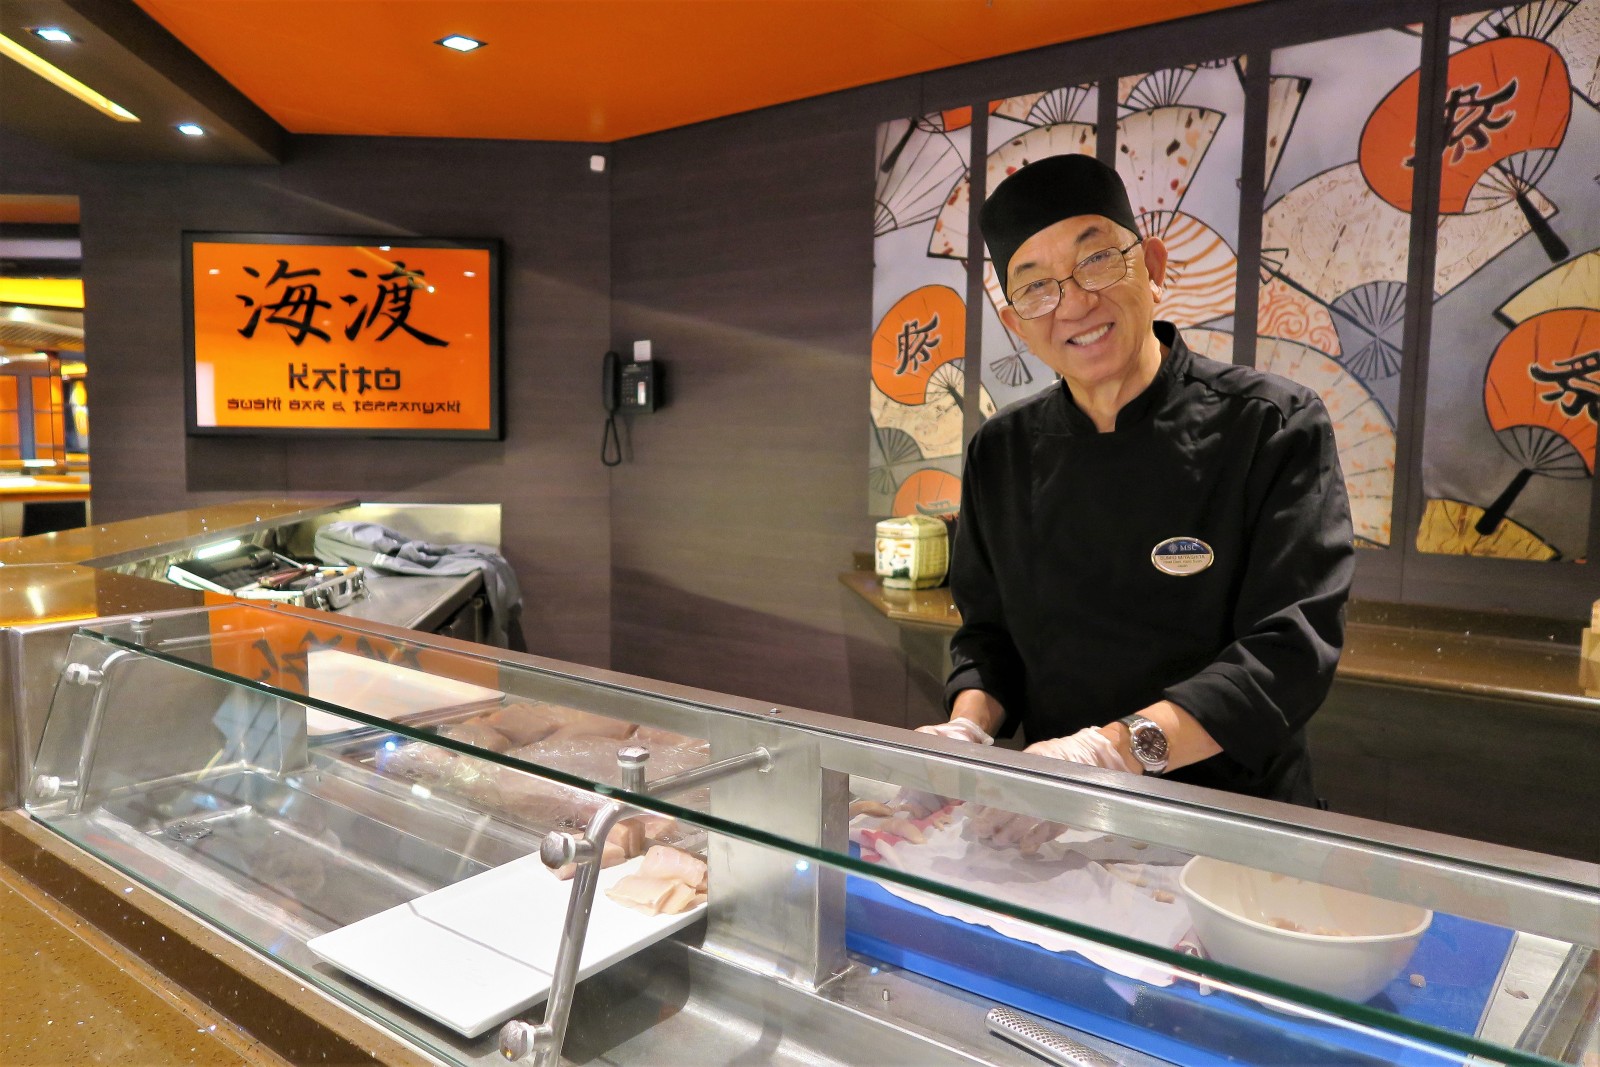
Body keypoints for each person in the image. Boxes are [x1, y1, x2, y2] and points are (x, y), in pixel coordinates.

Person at [919, 153, 1354, 806]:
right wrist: (966, 729)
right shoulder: (999, 451)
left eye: (1096, 260)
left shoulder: (1271, 425)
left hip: (1234, 822)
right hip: (1057, 817)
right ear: (1016, 324)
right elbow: (989, 637)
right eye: (1036, 287)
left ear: (1153, 267)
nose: (1074, 303)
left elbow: (1288, 653)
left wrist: (1114, 751)